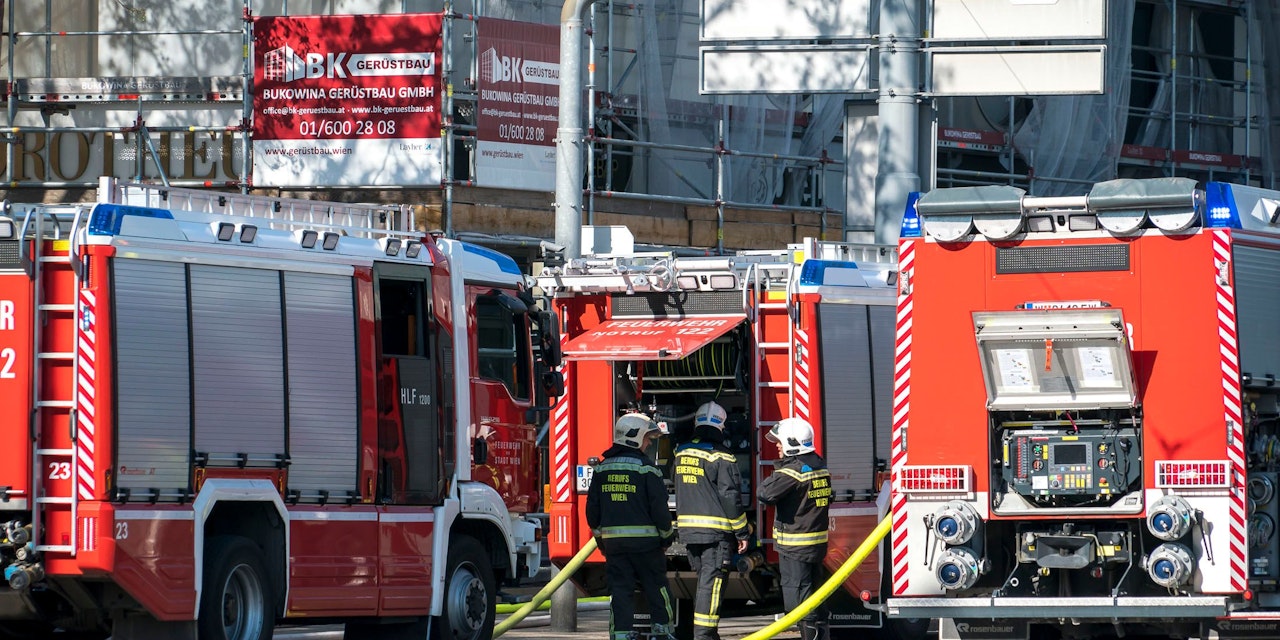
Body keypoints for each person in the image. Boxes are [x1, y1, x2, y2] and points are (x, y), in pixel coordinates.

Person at [587, 412, 677, 640]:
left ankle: (620, 634)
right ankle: (662, 632)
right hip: (647, 547)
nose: (648, 444)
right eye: (647, 439)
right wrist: (667, 538)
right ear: (634, 437)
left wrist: (601, 540)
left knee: (620, 592)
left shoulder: (601, 470)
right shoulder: (648, 470)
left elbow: (592, 513)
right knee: (657, 588)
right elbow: (660, 510)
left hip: (615, 547)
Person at [673, 401, 749, 640]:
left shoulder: (680, 452)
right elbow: (730, 498)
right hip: (715, 536)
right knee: (712, 584)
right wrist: (742, 532)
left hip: (688, 533)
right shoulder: (722, 457)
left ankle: (704, 634)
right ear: (721, 426)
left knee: (704, 583)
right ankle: (705, 635)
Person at [758, 417, 833, 640]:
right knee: (815, 597)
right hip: (815, 546)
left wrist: (781, 467)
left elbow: (764, 493)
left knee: (801, 603)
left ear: (792, 443)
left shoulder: (792, 472)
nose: (777, 446)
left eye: (780, 441)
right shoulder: (820, 465)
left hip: (794, 547)